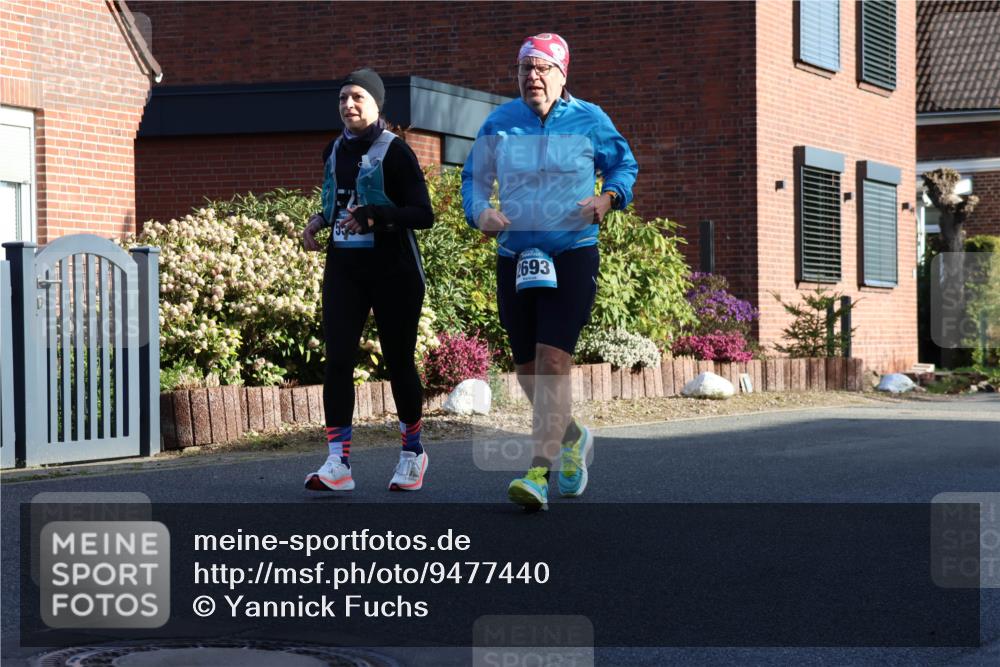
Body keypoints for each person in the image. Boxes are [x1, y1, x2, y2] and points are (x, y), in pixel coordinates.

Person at [461, 33, 638, 510]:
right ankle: (573, 436)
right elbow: (474, 180)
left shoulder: (589, 119)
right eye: (525, 69)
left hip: (572, 251)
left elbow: (624, 165)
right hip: (516, 256)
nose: (532, 77)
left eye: (542, 69)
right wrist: (480, 213)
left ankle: (538, 473)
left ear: (563, 75)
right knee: (526, 370)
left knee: (553, 360)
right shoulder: (499, 123)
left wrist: (607, 199)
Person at [302, 68, 433, 492]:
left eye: (358, 97)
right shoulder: (333, 149)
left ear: (377, 104)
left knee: (398, 363)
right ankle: (338, 463)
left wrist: (377, 216)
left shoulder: (396, 152)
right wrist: (319, 221)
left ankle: (413, 452)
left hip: (394, 271)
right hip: (345, 270)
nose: (348, 105)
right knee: (338, 359)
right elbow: (339, 199)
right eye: (343, 98)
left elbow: (423, 214)